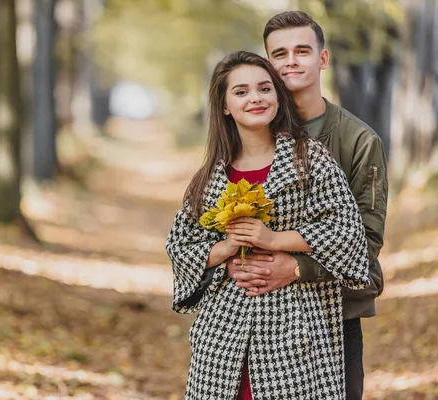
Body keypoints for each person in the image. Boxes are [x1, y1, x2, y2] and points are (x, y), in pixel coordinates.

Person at [166, 50, 369, 399]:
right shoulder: (210, 175)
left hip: (296, 329)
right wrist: (226, 250)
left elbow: (348, 232)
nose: (255, 98)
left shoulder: (310, 159)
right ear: (225, 105)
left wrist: (274, 239)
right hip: (223, 335)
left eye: (264, 88)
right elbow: (179, 246)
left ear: (277, 96)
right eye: (241, 91)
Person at [224, 11, 388, 400]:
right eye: (279, 54)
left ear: (323, 59)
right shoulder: (247, 131)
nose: (291, 61)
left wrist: (296, 268)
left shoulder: (358, 141)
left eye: (302, 50)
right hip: (257, 313)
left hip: (333, 312)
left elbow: (366, 240)